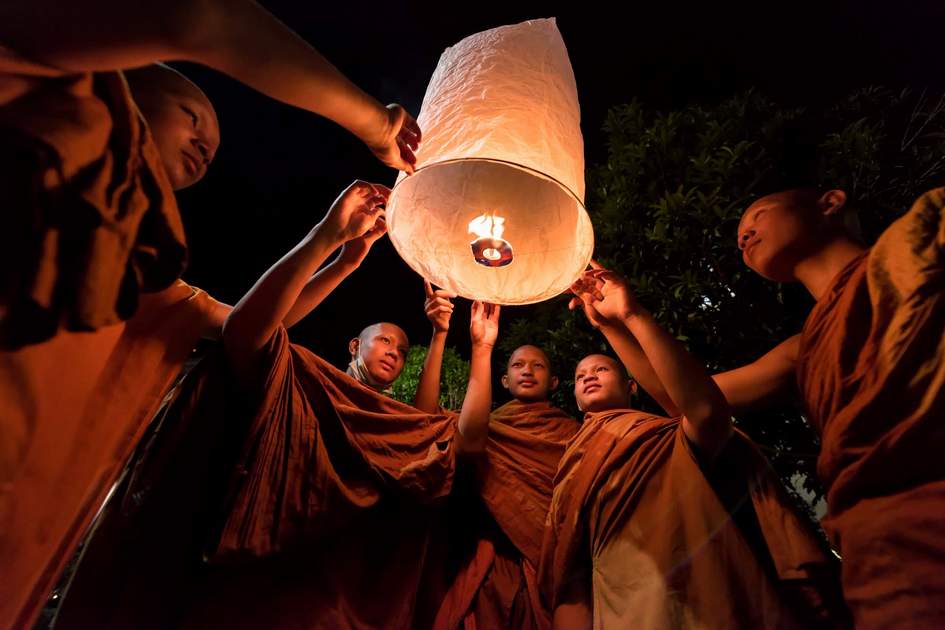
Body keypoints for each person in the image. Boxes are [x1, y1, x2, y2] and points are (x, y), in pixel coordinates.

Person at [538, 263, 848, 629]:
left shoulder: (665, 437)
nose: (589, 376)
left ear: (632, 386)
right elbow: (569, 575)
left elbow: (700, 408)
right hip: (624, 608)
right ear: (572, 396)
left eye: (602, 370)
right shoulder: (571, 466)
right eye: (580, 376)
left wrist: (625, 316)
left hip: (711, 595)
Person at [414, 283, 579, 628]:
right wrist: (451, 337)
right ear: (504, 380)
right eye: (519, 364)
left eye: (538, 366)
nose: (528, 370)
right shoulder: (488, 424)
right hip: (485, 559)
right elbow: (425, 424)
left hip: (548, 559)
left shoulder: (572, 433)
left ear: (553, 383)